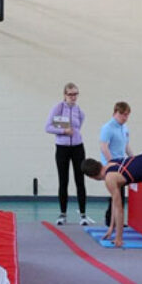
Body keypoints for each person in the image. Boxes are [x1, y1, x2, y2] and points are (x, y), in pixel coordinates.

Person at [45, 82, 92, 226]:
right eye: (70, 94)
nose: (73, 97)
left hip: (78, 148)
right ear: (65, 95)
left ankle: (83, 214)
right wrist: (64, 131)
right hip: (62, 148)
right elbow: (48, 127)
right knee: (63, 180)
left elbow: (78, 127)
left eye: (75, 94)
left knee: (80, 180)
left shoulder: (80, 111)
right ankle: (63, 213)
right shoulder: (58, 108)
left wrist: (73, 134)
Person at [98, 101, 132, 227]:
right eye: (122, 114)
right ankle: (112, 220)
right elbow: (104, 147)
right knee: (117, 193)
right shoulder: (107, 128)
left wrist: (133, 158)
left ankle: (114, 220)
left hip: (122, 164)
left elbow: (126, 146)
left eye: (127, 115)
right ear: (115, 113)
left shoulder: (125, 128)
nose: (124, 117)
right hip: (111, 164)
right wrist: (112, 163)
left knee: (118, 193)